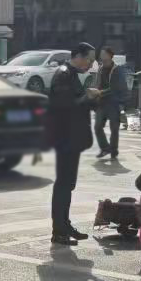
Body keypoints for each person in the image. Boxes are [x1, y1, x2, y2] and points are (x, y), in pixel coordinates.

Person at [45, 43, 98, 244]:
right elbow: (65, 106)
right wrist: (86, 97)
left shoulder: (72, 75)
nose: (91, 64)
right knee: (63, 184)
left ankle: (64, 225)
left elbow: (77, 103)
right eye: (89, 60)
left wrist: (91, 99)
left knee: (68, 184)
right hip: (64, 137)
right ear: (78, 56)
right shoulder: (63, 74)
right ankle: (59, 231)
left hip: (71, 138)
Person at [92, 46, 128, 160]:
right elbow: (97, 84)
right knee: (97, 127)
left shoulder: (117, 70)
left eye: (103, 54)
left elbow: (115, 88)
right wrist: (94, 93)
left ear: (109, 56)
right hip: (102, 102)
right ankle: (105, 148)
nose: (101, 56)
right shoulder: (100, 68)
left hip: (114, 103)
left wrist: (100, 92)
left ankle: (113, 151)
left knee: (114, 129)